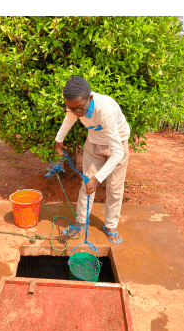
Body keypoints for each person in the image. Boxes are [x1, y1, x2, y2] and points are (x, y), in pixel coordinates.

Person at [55, 76, 130, 245]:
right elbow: (69, 119)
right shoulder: (74, 106)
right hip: (94, 144)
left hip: (117, 145)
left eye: (79, 109)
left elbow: (117, 152)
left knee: (115, 189)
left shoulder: (105, 109)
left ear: (89, 98)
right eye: (70, 108)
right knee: (86, 184)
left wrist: (97, 178)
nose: (75, 113)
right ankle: (81, 221)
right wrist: (58, 140)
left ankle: (110, 226)